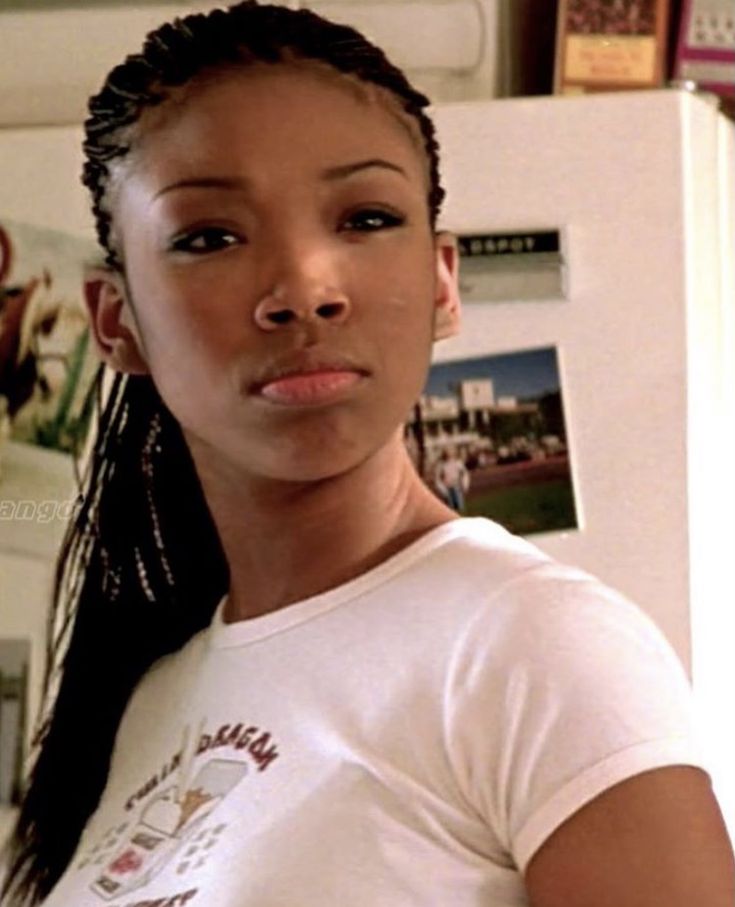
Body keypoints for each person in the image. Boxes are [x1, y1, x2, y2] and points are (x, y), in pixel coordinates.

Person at [2, 3, 734, 905]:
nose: (304, 288)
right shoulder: (158, 695)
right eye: (209, 237)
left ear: (440, 285)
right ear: (117, 323)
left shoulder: (533, 646)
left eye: (366, 217)